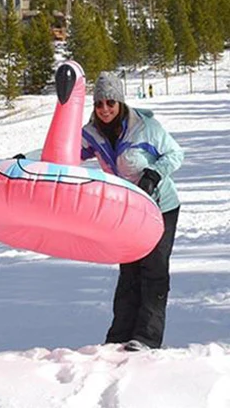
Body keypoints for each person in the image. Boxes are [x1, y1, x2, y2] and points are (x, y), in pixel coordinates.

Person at [81, 71, 184, 352]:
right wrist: (26, 159)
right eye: (100, 103)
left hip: (160, 207)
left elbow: (175, 154)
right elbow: (62, 151)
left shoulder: (146, 127)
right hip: (126, 212)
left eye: (110, 103)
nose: (105, 109)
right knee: (129, 271)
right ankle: (120, 335)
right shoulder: (91, 134)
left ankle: (147, 337)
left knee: (153, 269)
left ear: (121, 103)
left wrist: (153, 173)